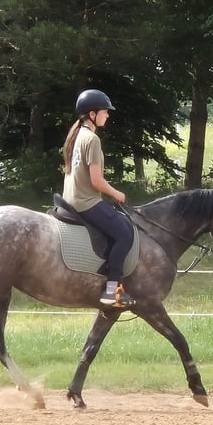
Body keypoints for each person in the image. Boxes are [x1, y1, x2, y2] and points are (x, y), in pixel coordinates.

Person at [62, 88, 135, 308]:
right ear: (92, 114)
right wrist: (116, 193)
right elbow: (96, 181)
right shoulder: (92, 139)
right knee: (124, 233)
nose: (108, 115)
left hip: (71, 198)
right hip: (86, 201)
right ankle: (112, 290)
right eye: (105, 111)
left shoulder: (76, 135)